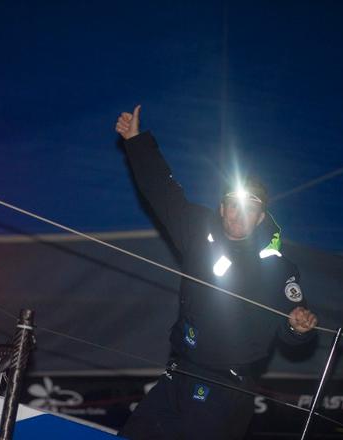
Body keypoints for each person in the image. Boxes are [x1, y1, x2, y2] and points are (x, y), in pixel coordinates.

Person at [115, 105, 318, 439]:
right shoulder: (198, 231)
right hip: (178, 373)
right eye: (233, 205)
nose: (238, 215)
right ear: (222, 207)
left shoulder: (277, 267)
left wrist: (299, 326)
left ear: (260, 218)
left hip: (226, 390)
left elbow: (293, 332)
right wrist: (135, 141)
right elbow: (162, 191)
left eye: (249, 209)